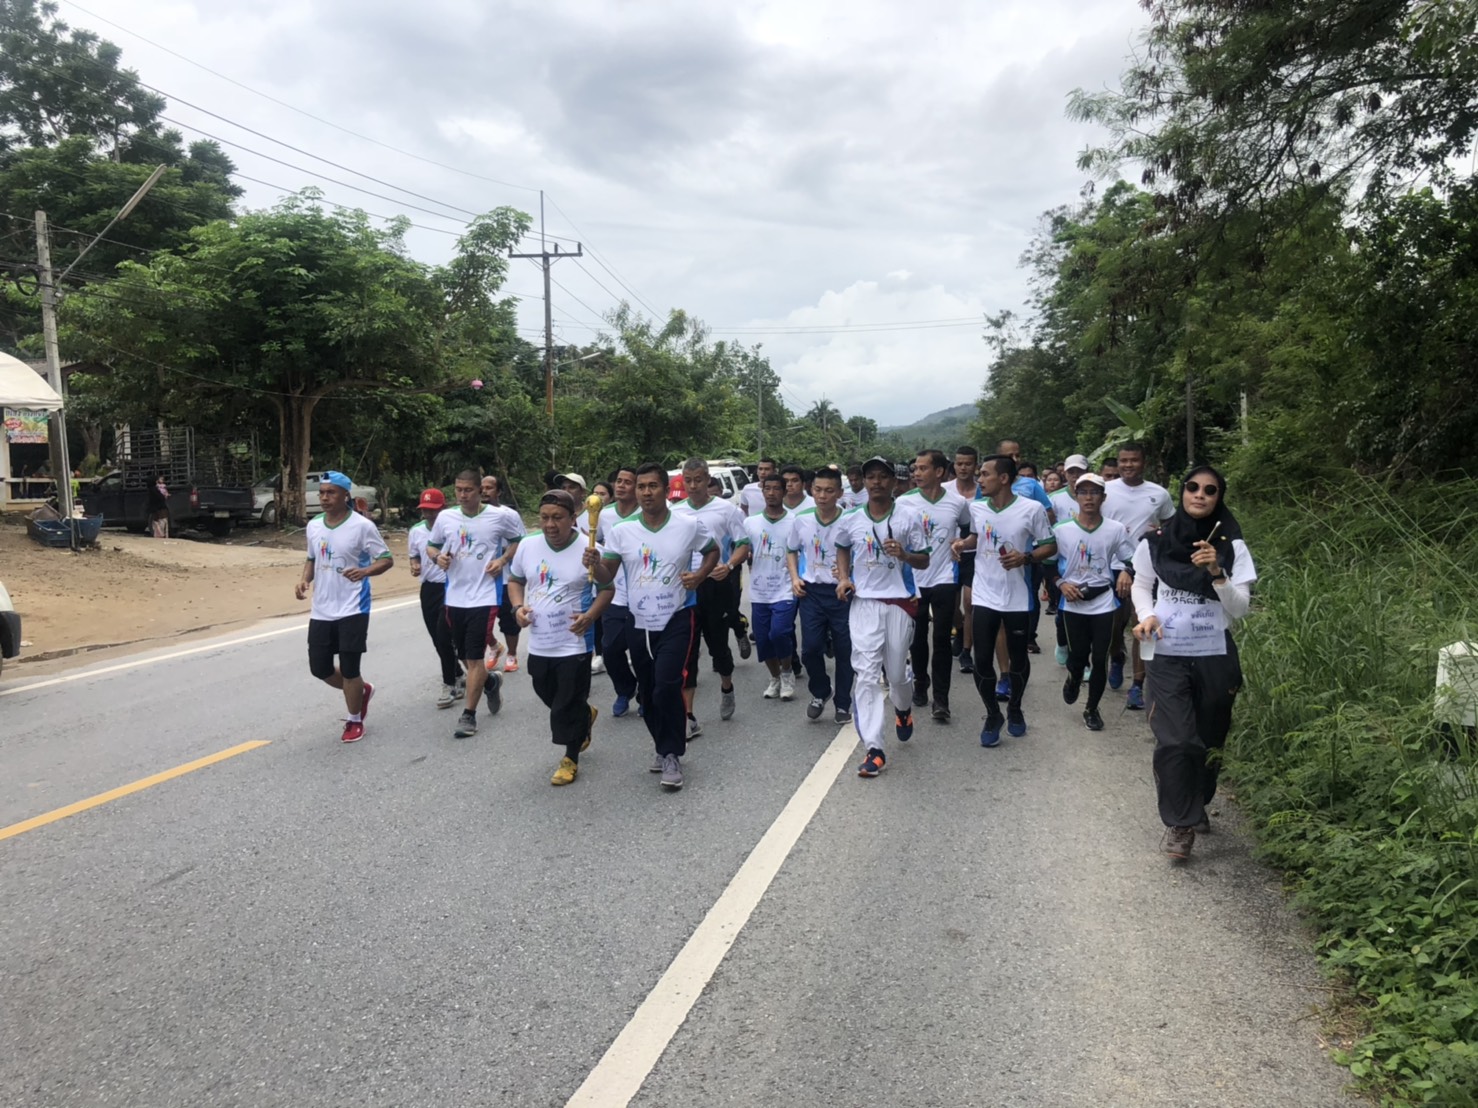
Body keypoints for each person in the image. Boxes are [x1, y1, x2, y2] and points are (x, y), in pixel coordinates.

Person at [1132, 465, 1256, 860]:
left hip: (1214, 654)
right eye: (1192, 487)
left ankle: (1197, 799)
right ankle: (1180, 823)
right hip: (1167, 652)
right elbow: (1142, 585)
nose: (1199, 495)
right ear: (1182, 492)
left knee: (1209, 736)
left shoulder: (1232, 546)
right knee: (1176, 739)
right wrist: (1146, 615)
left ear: (1219, 498)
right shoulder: (1156, 541)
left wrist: (1217, 572)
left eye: (1210, 490)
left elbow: (1241, 609)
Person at [587, 463, 718, 791]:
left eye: (652, 486)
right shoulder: (622, 531)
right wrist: (595, 565)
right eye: (641, 487)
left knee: (666, 685)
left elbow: (712, 551)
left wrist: (699, 576)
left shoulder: (687, 525)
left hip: (677, 617)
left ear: (665, 490)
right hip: (639, 620)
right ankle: (662, 745)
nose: (646, 492)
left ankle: (671, 754)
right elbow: (607, 576)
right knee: (647, 693)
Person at [507, 489, 614, 786]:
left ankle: (570, 757)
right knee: (546, 691)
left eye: (557, 518)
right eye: (544, 518)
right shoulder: (528, 546)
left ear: (573, 517)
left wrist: (590, 616)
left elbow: (607, 589)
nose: (550, 525)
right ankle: (584, 714)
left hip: (574, 641)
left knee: (567, 701)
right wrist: (517, 608)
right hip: (540, 640)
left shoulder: (589, 549)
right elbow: (515, 581)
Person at [833, 455, 930, 778]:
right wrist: (844, 578)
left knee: (897, 675)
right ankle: (874, 749)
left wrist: (904, 554)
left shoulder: (909, 517)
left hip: (900, 602)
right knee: (866, 674)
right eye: (871, 476)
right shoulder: (850, 518)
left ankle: (903, 708)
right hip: (864, 604)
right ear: (864, 481)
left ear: (893, 481)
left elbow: (924, 560)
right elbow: (842, 547)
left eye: (883, 476)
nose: (876, 482)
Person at [952, 454, 1055, 747]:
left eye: (985, 474)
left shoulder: (1031, 509)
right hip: (984, 594)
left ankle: (1015, 708)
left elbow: (1049, 546)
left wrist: (1026, 557)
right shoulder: (977, 507)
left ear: (1004, 478)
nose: (979, 479)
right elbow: (976, 537)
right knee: (981, 659)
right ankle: (992, 714)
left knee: (1018, 658)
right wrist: (962, 544)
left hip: (1017, 597)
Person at [295, 472, 394, 742]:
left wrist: (364, 571)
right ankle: (361, 690)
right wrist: (304, 580)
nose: (324, 498)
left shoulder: (362, 526)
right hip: (322, 609)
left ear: (345, 495)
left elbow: (386, 559)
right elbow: (312, 558)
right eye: (322, 492)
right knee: (320, 668)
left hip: (353, 607)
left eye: (331, 492)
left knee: (350, 668)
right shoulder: (314, 525)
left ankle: (354, 719)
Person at [428, 470, 525, 738]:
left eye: (468, 490)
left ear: (479, 491)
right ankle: (490, 681)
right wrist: (437, 558)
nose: (462, 495)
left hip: (484, 597)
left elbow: (518, 541)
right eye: (458, 490)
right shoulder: (446, 517)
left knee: (474, 657)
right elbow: (432, 545)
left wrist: (502, 561)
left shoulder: (499, 517)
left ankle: (468, 715)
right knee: (464, 655)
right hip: (454, 597)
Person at [1054, 473, 1136, 731]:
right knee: (1078, 656)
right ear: (1076, 496)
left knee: (1100, 658)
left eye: (1094, 492)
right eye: (1083, 492)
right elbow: (1047, 565)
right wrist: (1061, 584)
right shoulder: (1061, 530)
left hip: (1103, 601)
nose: (1088, 498)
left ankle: (1091, 709)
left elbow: (1131, 558)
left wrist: (1127, 571)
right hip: (1073, 602)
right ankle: (1074, 675)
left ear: (1103, 497)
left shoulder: (1115, 529)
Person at [671, 457, 745, 734]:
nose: (693, 486)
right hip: (686, 587)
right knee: (688, 651)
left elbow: (743, 543)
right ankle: (688, 715)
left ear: (707, 479)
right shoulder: (675, 511)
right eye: (688, 481)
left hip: (716, 585)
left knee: (718, 647)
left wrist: (729, 565)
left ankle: (727, 686)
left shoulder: (726, 510)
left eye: (698, 480)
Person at [898, 449, 971, 723]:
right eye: (915, 469)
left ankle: (941, 699)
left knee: (941, 640)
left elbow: (968, 530)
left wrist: (960, 543)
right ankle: (920, 680)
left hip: (944, 578)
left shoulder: (958, 503)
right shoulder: (904, 502)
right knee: (917, 638)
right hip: (915, 580)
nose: (916, 473)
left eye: (922, 468)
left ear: (939, 472)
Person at [1103, 442, 1176, 709]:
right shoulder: (1106, 490)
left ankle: (1137, 684)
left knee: (1142, 622)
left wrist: (1160, 536)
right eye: (1124, 460)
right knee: (1113, 624)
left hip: (1146, 569)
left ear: (1143, 462)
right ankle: (1116, 655)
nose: (1128, 465)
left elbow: (1171, 527)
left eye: (1134, 460)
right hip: (1110, 565)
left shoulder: (1159, 494)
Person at [787, 464, 854, 724]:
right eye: (817, 490)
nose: (822, 496)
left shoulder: (850, 520)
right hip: (812, 593)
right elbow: (791, 550)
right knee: (810, 649)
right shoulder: (801, 519)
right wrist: (795, 577)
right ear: (811, 490)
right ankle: (821, 691)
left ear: (839, 493)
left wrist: (848, 575)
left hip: (841, 594)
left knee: (845, 650)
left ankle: (843, 703)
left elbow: (859, 553)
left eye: (829, 490)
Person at [733, 473, 797, 700]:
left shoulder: (795, 521)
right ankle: (775, 677)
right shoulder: (750, 523)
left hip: (785, 588)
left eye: (776, 488)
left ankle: (787, 672)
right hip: (759, 591)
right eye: (767, 489)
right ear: (762, 492)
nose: (771, 493)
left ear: (784, 491)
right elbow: (742, 549)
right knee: (763, 639)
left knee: (779, 633)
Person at [407, 487, 464, 708]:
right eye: (425, 510)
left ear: (443, 508)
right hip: (429, 588)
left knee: (444, 635)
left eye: (434, 510)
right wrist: (415, 565)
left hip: (452, 587)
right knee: (436, 637)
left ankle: (449, 685)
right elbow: (414, 555)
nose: (429, 514)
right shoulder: (416, 531)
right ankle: (458, 674)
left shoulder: (454, 528)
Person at [596, 466, 642, 717]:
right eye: (619, 481)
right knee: (610, 648)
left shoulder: (646, 514)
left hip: (643, 593)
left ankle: (646, 693)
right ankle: (625, 688)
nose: (621, 486)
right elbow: (594, 540)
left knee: (641, 649)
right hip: (613, 592)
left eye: (628, 482)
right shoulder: (604, 515)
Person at [1048, 454, 1091, 662]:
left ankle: (1083, 658)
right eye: (1071, 472)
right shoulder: (1055, 498)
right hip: (1062, 562)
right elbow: (1048, 527)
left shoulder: (1096, 496)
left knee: (1086, 610)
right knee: (1063, 610)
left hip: (1089, 560)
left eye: (1079, 472)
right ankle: (1063, 641)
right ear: (1065, 474)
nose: (1075, 476)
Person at [481, 473, 522, 674]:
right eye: (482, 488)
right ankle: (494, 646)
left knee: (508, 620)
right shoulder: (472, 516)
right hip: (481, 580)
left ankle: (512, 654)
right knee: (479, 621)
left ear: (499, 492)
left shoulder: (509, 515)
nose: (484, 491)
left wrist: (502, 557)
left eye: (489, 488)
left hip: (505, 578)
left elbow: (520, 541)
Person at [951, 446, 983, 676]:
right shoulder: (945, 490)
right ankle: (960, 628)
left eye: (968, 463)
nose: (963, 468)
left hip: (976, 554)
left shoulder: (984, 491)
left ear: (976, 466)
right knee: (951, 606)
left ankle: (966, 651)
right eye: (959, 463)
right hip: (949, 555)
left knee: (969, 602)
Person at [148, 473, 170, 538]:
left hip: (155, 509)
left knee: (156, 522)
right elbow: (160, 497)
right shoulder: (154, 489)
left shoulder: (151, 489)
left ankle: (158, 535)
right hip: (160, 508)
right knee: (163, 522)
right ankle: (162, 535)